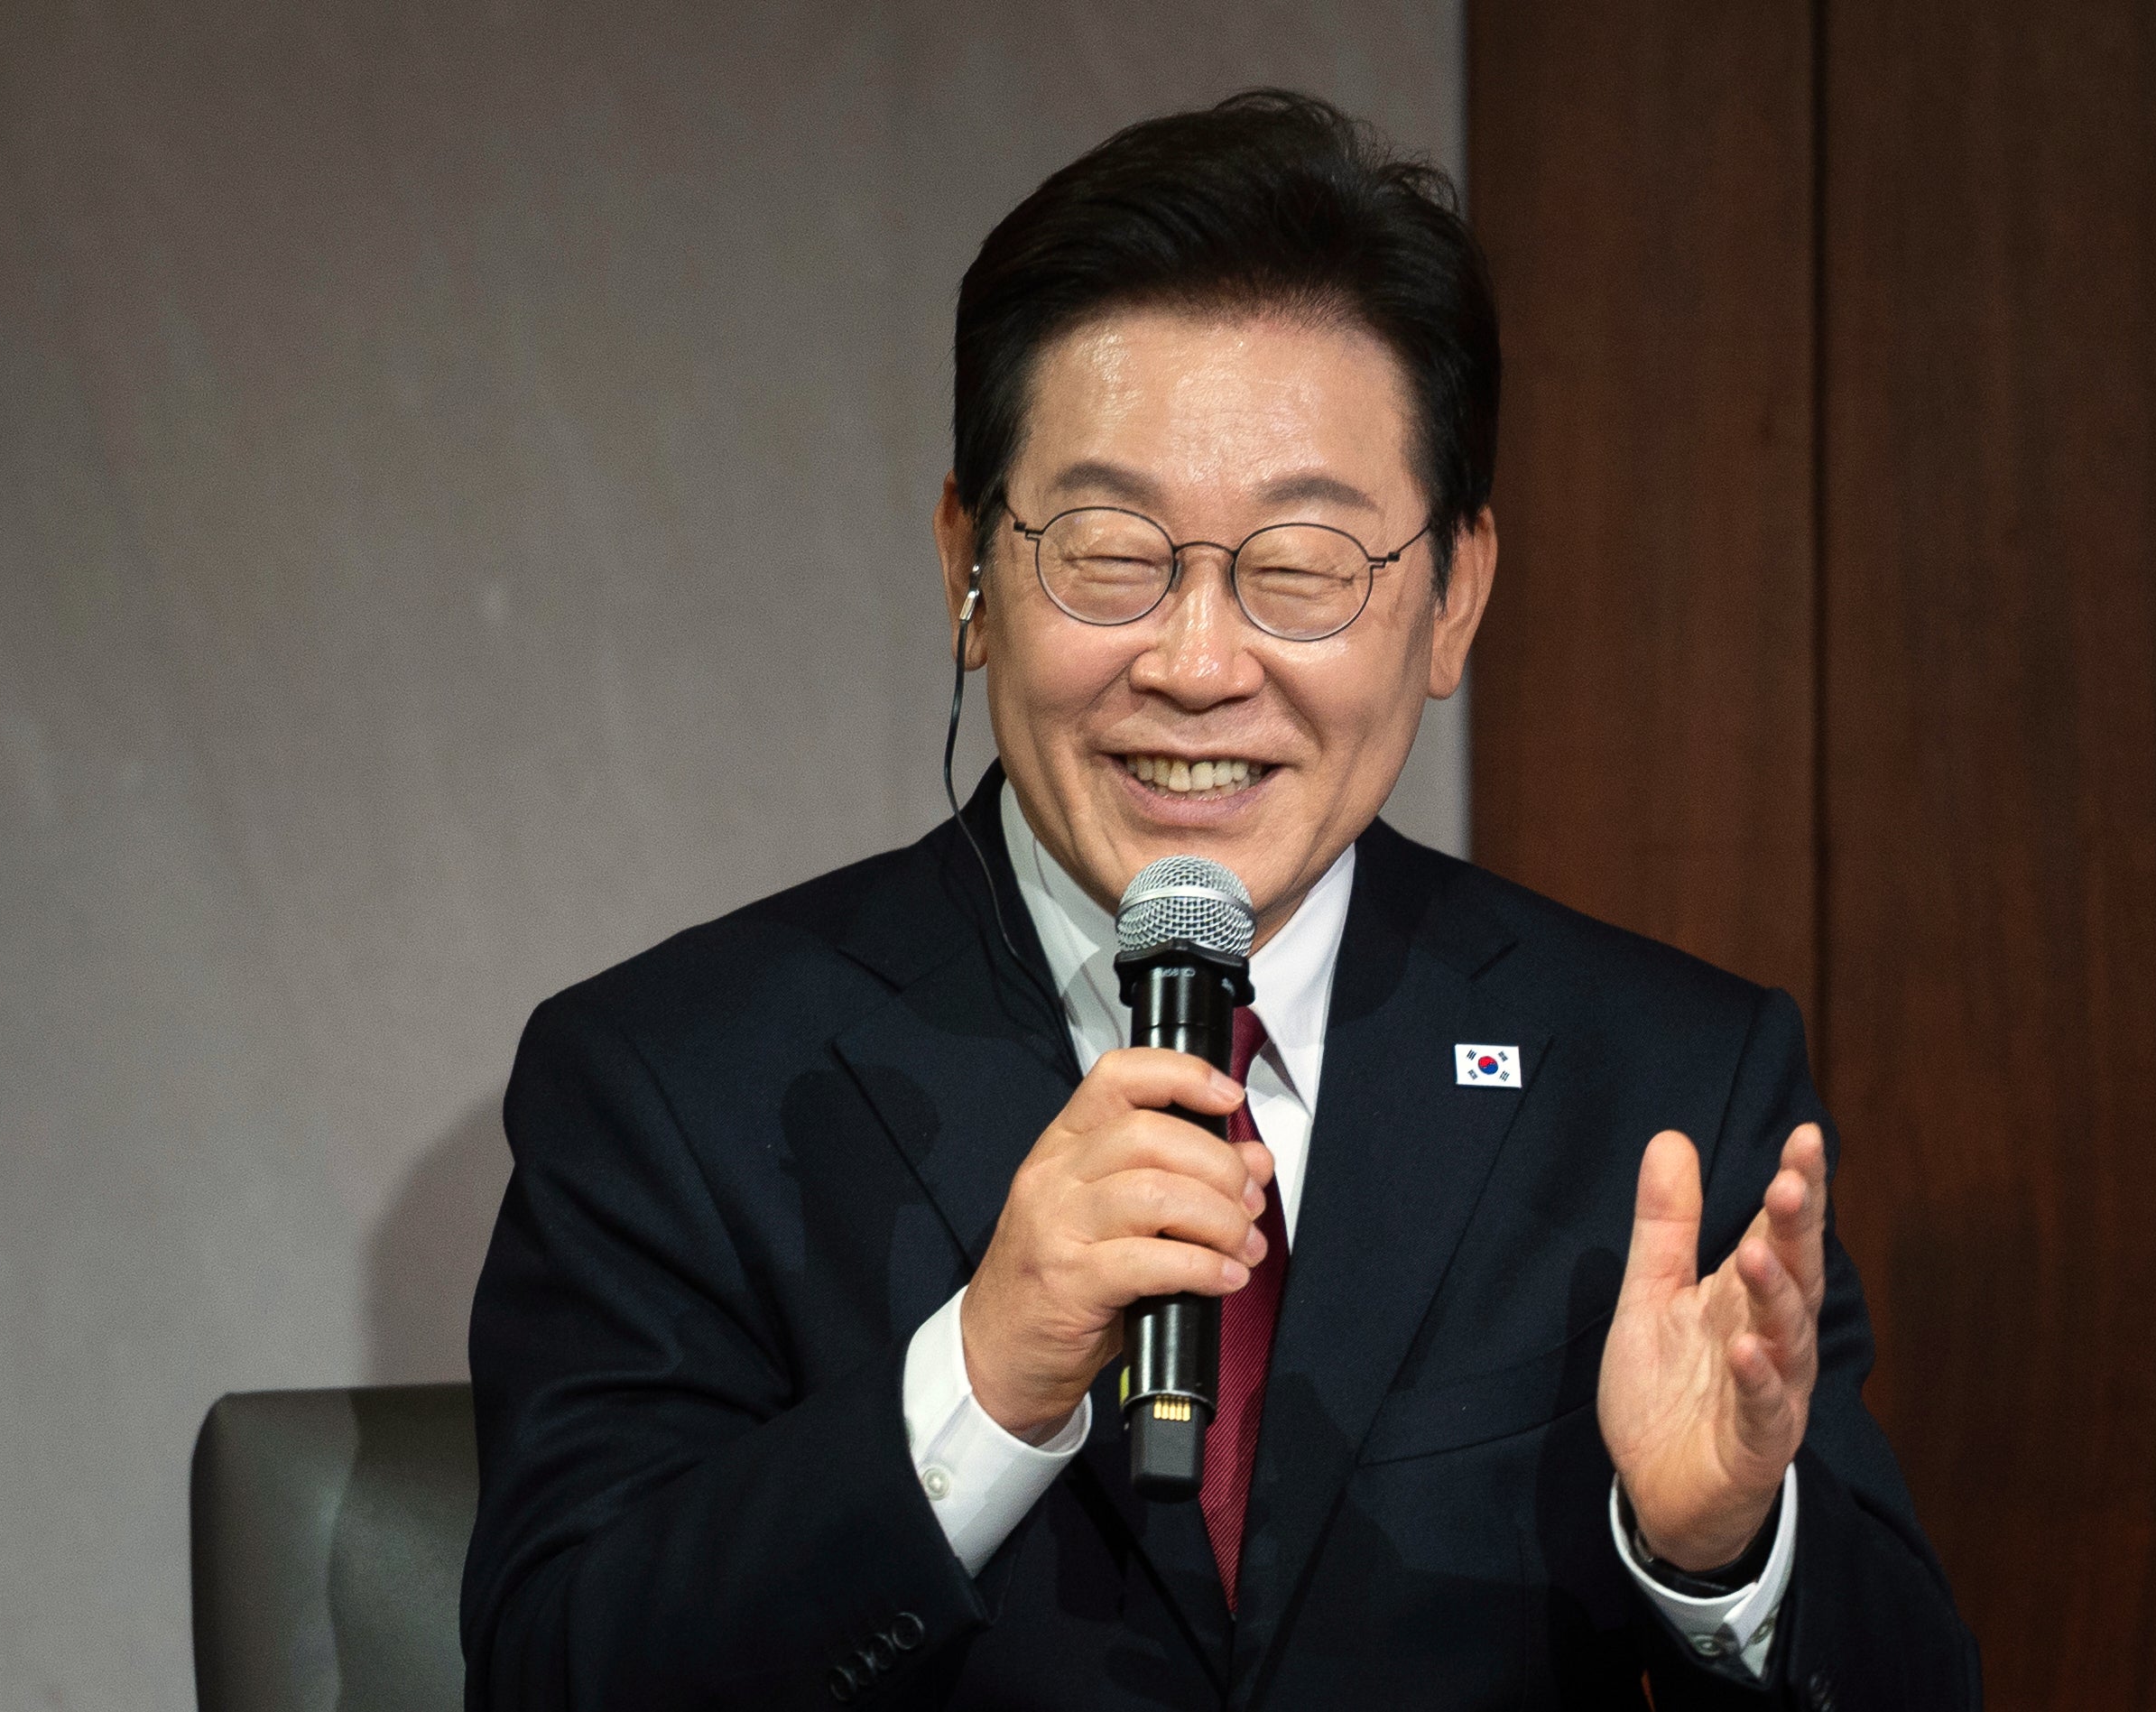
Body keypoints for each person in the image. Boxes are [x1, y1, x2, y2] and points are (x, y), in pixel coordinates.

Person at [461, 91, 1977, 1709]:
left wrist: (1724, 1551)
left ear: (1454, 598)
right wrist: (978, 1383)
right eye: (1111, 551)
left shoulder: (1663, 1084)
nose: (1197, 664)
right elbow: (558, 1674)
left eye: (1304, 565)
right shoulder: (675, 1081)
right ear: (966, 564)